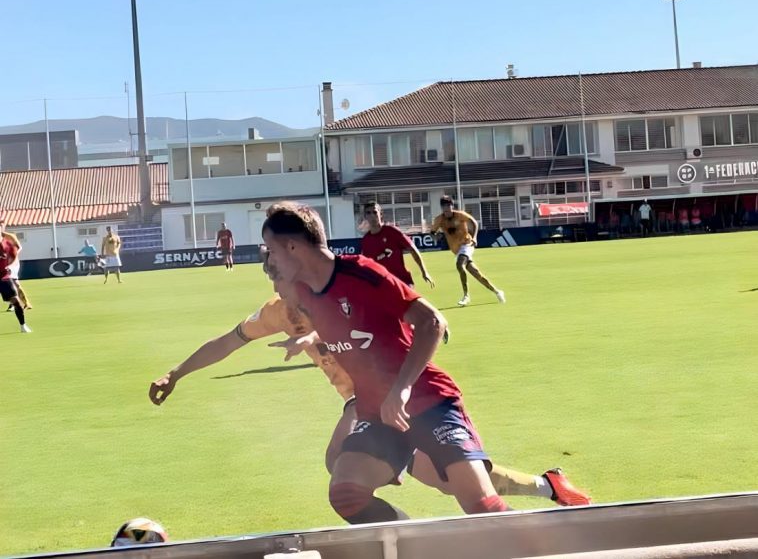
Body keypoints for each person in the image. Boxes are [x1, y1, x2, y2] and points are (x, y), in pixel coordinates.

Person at [148, 279, 591, 509]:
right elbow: (228, 341)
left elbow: (380, 319)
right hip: (367, 403)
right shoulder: (276, 312)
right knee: (446, 483)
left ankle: (392, 539)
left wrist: (315, 337)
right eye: (277, 279)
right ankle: (547, 486)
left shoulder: (342, 289)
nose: (284, 287)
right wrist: (176, 372)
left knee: (341, 468)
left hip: (405, 396)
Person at [261, 203, 511, 524]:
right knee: (346, 494)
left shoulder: (361, 273)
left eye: (273, 250)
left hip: (428, 400)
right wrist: (307, 340)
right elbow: (344, 326)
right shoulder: (303, 292)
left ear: (293, 247)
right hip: (376, 413)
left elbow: (433, 323)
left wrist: (401, 390)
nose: (272, 259)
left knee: (482, 508)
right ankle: (421, 548)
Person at [429, 195, 504, 307]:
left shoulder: (460, 215)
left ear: (452, 206)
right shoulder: (439, 219)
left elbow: (474, 222)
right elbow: (432, 232)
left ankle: (466, 296)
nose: (446, 208)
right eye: (444, 206)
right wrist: (435, 237)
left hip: (467, 244)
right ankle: (497, 291)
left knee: (460, 265)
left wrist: (474, 237)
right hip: (456, 249)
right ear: (441, 207)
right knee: (476, 274)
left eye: (448, 205)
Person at [360, 202, 434, 289]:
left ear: (380, 214)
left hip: (403, 282)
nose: (372, 215)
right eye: (368, 213)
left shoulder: (392, 231)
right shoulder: (366, 241)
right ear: (365, 216)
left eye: (375, 212)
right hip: (383, 286)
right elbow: (366, 266)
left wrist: (424, 272)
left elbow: (412, 249)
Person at [0, 232, 31, 333]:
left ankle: (23, 325)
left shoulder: (7, 244)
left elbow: (14, 255)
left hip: (3, 276)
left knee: (15, 300)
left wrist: (8, 266)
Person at [0, 220, 31, 310]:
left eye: (2, 226)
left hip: (12, 263)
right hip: (3, 263)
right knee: (12, 283)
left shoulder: (10, 236)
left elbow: (19, 247)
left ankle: (20, 303)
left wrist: (12, 255)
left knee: (14, 283)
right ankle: (17, 303)